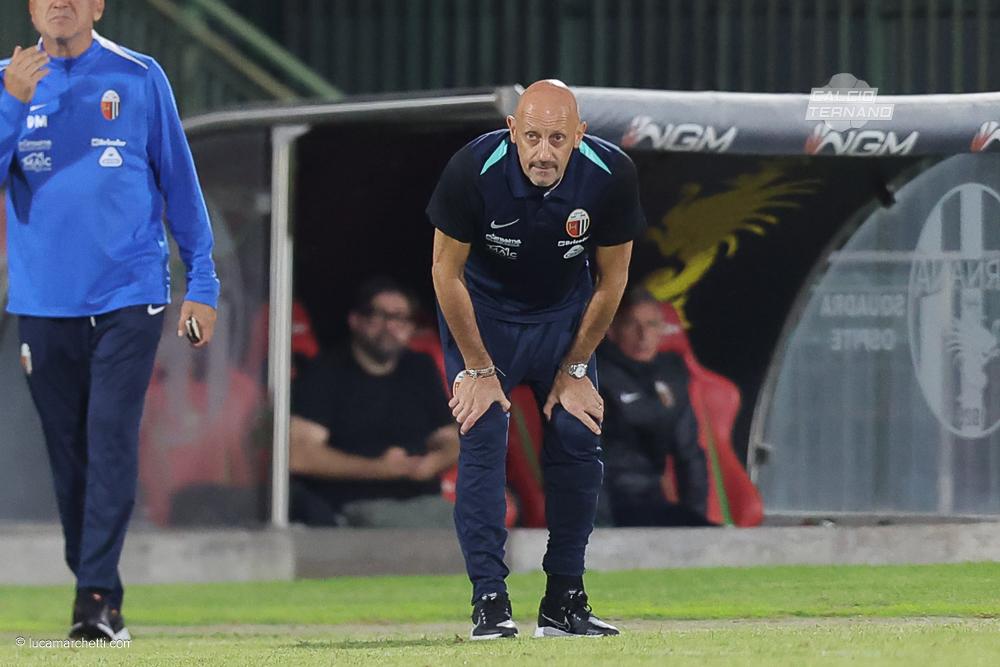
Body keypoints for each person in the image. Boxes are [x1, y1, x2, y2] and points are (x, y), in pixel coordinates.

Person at [1, 1, 219, 641]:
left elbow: (180, 181)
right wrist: (12, 103)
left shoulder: (140, 74)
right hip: (43, 304)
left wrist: (201, 280)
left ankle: (94, 600)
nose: (60, 3)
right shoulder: (7, 81)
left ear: (98, 4)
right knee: (69, 458)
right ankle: (101, 592)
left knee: (110, 441)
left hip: (130, 294)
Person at [428, 79, 645, 639]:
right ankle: (490, 602)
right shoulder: (471, 170)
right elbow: (444, 275)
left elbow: (612, 280)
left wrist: (574, 370)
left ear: (579, 136)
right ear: (512, 132)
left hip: (563, 322)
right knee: (483, 431)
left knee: (578, 434)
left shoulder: (611, 174)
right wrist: (477, 370)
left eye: (556, 138)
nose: (543, 152)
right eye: (531, 137)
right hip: (484, 320)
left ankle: (564, 601)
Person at [288, 277, 460, 527]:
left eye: (400, 318)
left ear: (411, 328)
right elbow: (299, 454)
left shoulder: (419, 368)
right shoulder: (325, 372)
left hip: (424, 502)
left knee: (481, 529)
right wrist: (380, 468)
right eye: (378, 316)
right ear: (355, 320)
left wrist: (431, 463)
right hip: (352, 506)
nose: (390, 326)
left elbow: (451, 439)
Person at [598, 288, 714, 527]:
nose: (643, 335)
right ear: (612, 330)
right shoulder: (595, 376)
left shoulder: (672, 375)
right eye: (632, 324)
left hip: (652, 501)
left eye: (652, 325)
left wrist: (696, 518)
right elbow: (584, 459)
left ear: (662, 330)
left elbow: (689, 453)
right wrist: (600, 531)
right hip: (608, 501)